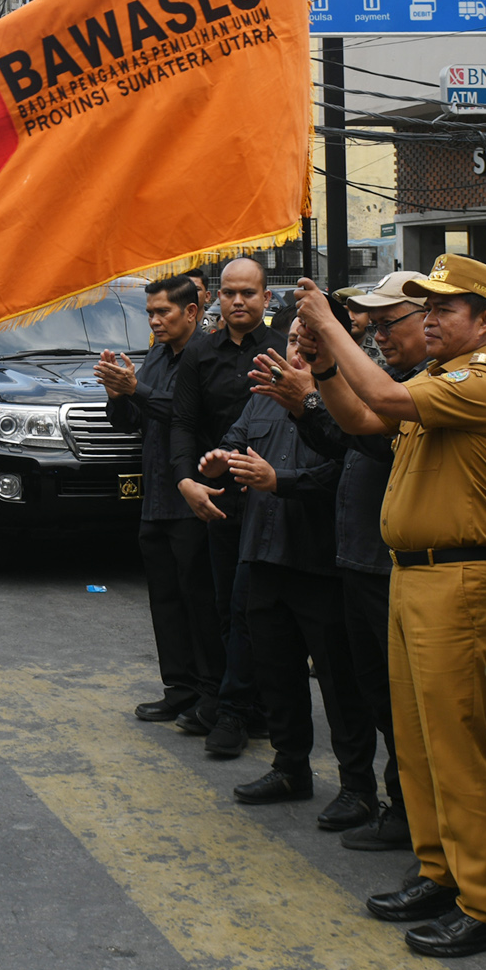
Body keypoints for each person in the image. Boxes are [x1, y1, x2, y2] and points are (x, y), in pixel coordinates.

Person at [293, 255, 486, 959]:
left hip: (458, 577)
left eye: (443, 307)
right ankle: (438, 871)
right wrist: (327, 369)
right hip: (415, 575)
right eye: (425, 305)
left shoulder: (485, 379)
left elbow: (385, 405)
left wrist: (331, 328)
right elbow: (363, 414)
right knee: (418, 743)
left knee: (456, 750)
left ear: (485, 321)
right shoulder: (435, 376)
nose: (428, 317)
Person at [253, 271, 433, 852]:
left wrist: (317, 383)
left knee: (407, 708)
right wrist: (306, 405)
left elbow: (374, 433)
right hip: (357, 558)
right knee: (375, 697)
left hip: (399, 567)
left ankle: (417, 819)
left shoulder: (426, 387)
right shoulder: (392, 380)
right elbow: (347, 441)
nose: (378, 335)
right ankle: (393, 805)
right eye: (371, 325)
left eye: (387, 324)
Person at [200, 320, 375, 829]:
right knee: (276, 672)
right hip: (263, 554)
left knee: (340, 684)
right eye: (294, 339)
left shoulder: (348, 399)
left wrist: (283, 482)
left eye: (309, 341)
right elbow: (234, 441)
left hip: (321, 561)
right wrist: (217, 460)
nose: (297, 348)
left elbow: (346, 467)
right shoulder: (265, 395)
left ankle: (358, 785)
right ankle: (290, 765)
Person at [170, 257, 279, 757]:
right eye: (230, 292)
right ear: (217, 296)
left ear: (266, 298)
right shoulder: (199, 353)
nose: (238, 301)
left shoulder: (283, 352)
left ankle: (247, 708)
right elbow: (183, 423)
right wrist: (186, 481)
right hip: (217, 499)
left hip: (275, 495)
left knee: (258, 607)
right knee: (221, 604)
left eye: (249, 293)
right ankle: (232, 701)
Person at [99, 274, 219, 727]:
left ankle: (212, 693)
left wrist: (137, 391)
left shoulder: (206, 357)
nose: (154, 321)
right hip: (156, 497)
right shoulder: (154, 357)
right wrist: (118, 395)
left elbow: (188, 414)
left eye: (162, 312)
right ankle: (180, 688)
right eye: (149, 313)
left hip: (192, 497)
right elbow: (132, 421)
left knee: (199, 600)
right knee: (165, 599)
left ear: (191, 312)